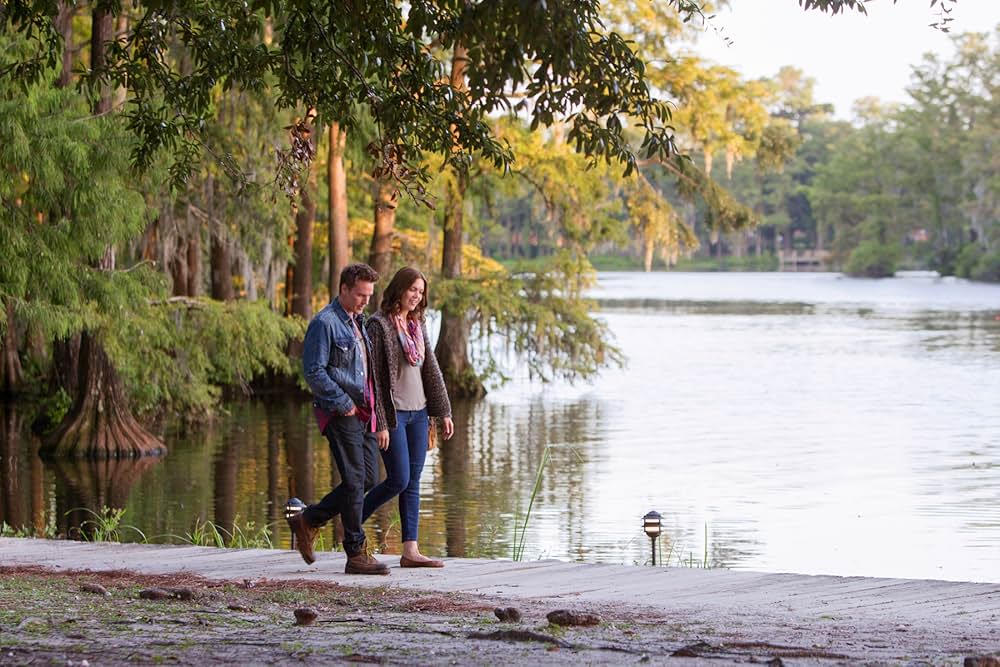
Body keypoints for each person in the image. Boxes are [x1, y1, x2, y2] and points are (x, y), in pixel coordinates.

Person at [288, 263, 389, 575]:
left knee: (370, 478)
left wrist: (379, 415)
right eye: (360, 294)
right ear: (343, 289)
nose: (364, 301)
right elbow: (313, 370)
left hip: (364, 412)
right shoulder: (325, 323)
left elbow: (368, 374)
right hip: (339, 411)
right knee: (357, 479)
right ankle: (356, 552)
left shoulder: (358, 323)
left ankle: (309, 519)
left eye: (369, 296)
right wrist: (341, 402)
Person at [362, 267, 454, 568]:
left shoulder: (417, 324)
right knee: (398, 479)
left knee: (412, 482)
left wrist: (443, 412)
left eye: (421, 291)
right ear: (399, 289)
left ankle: (410, 551)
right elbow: (373, 378)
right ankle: (352, 523)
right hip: (394, 414)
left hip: (420, 413)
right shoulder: (379, 325)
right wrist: (381, 422)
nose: (417, 296)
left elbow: (431, 370)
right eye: (413, 289)